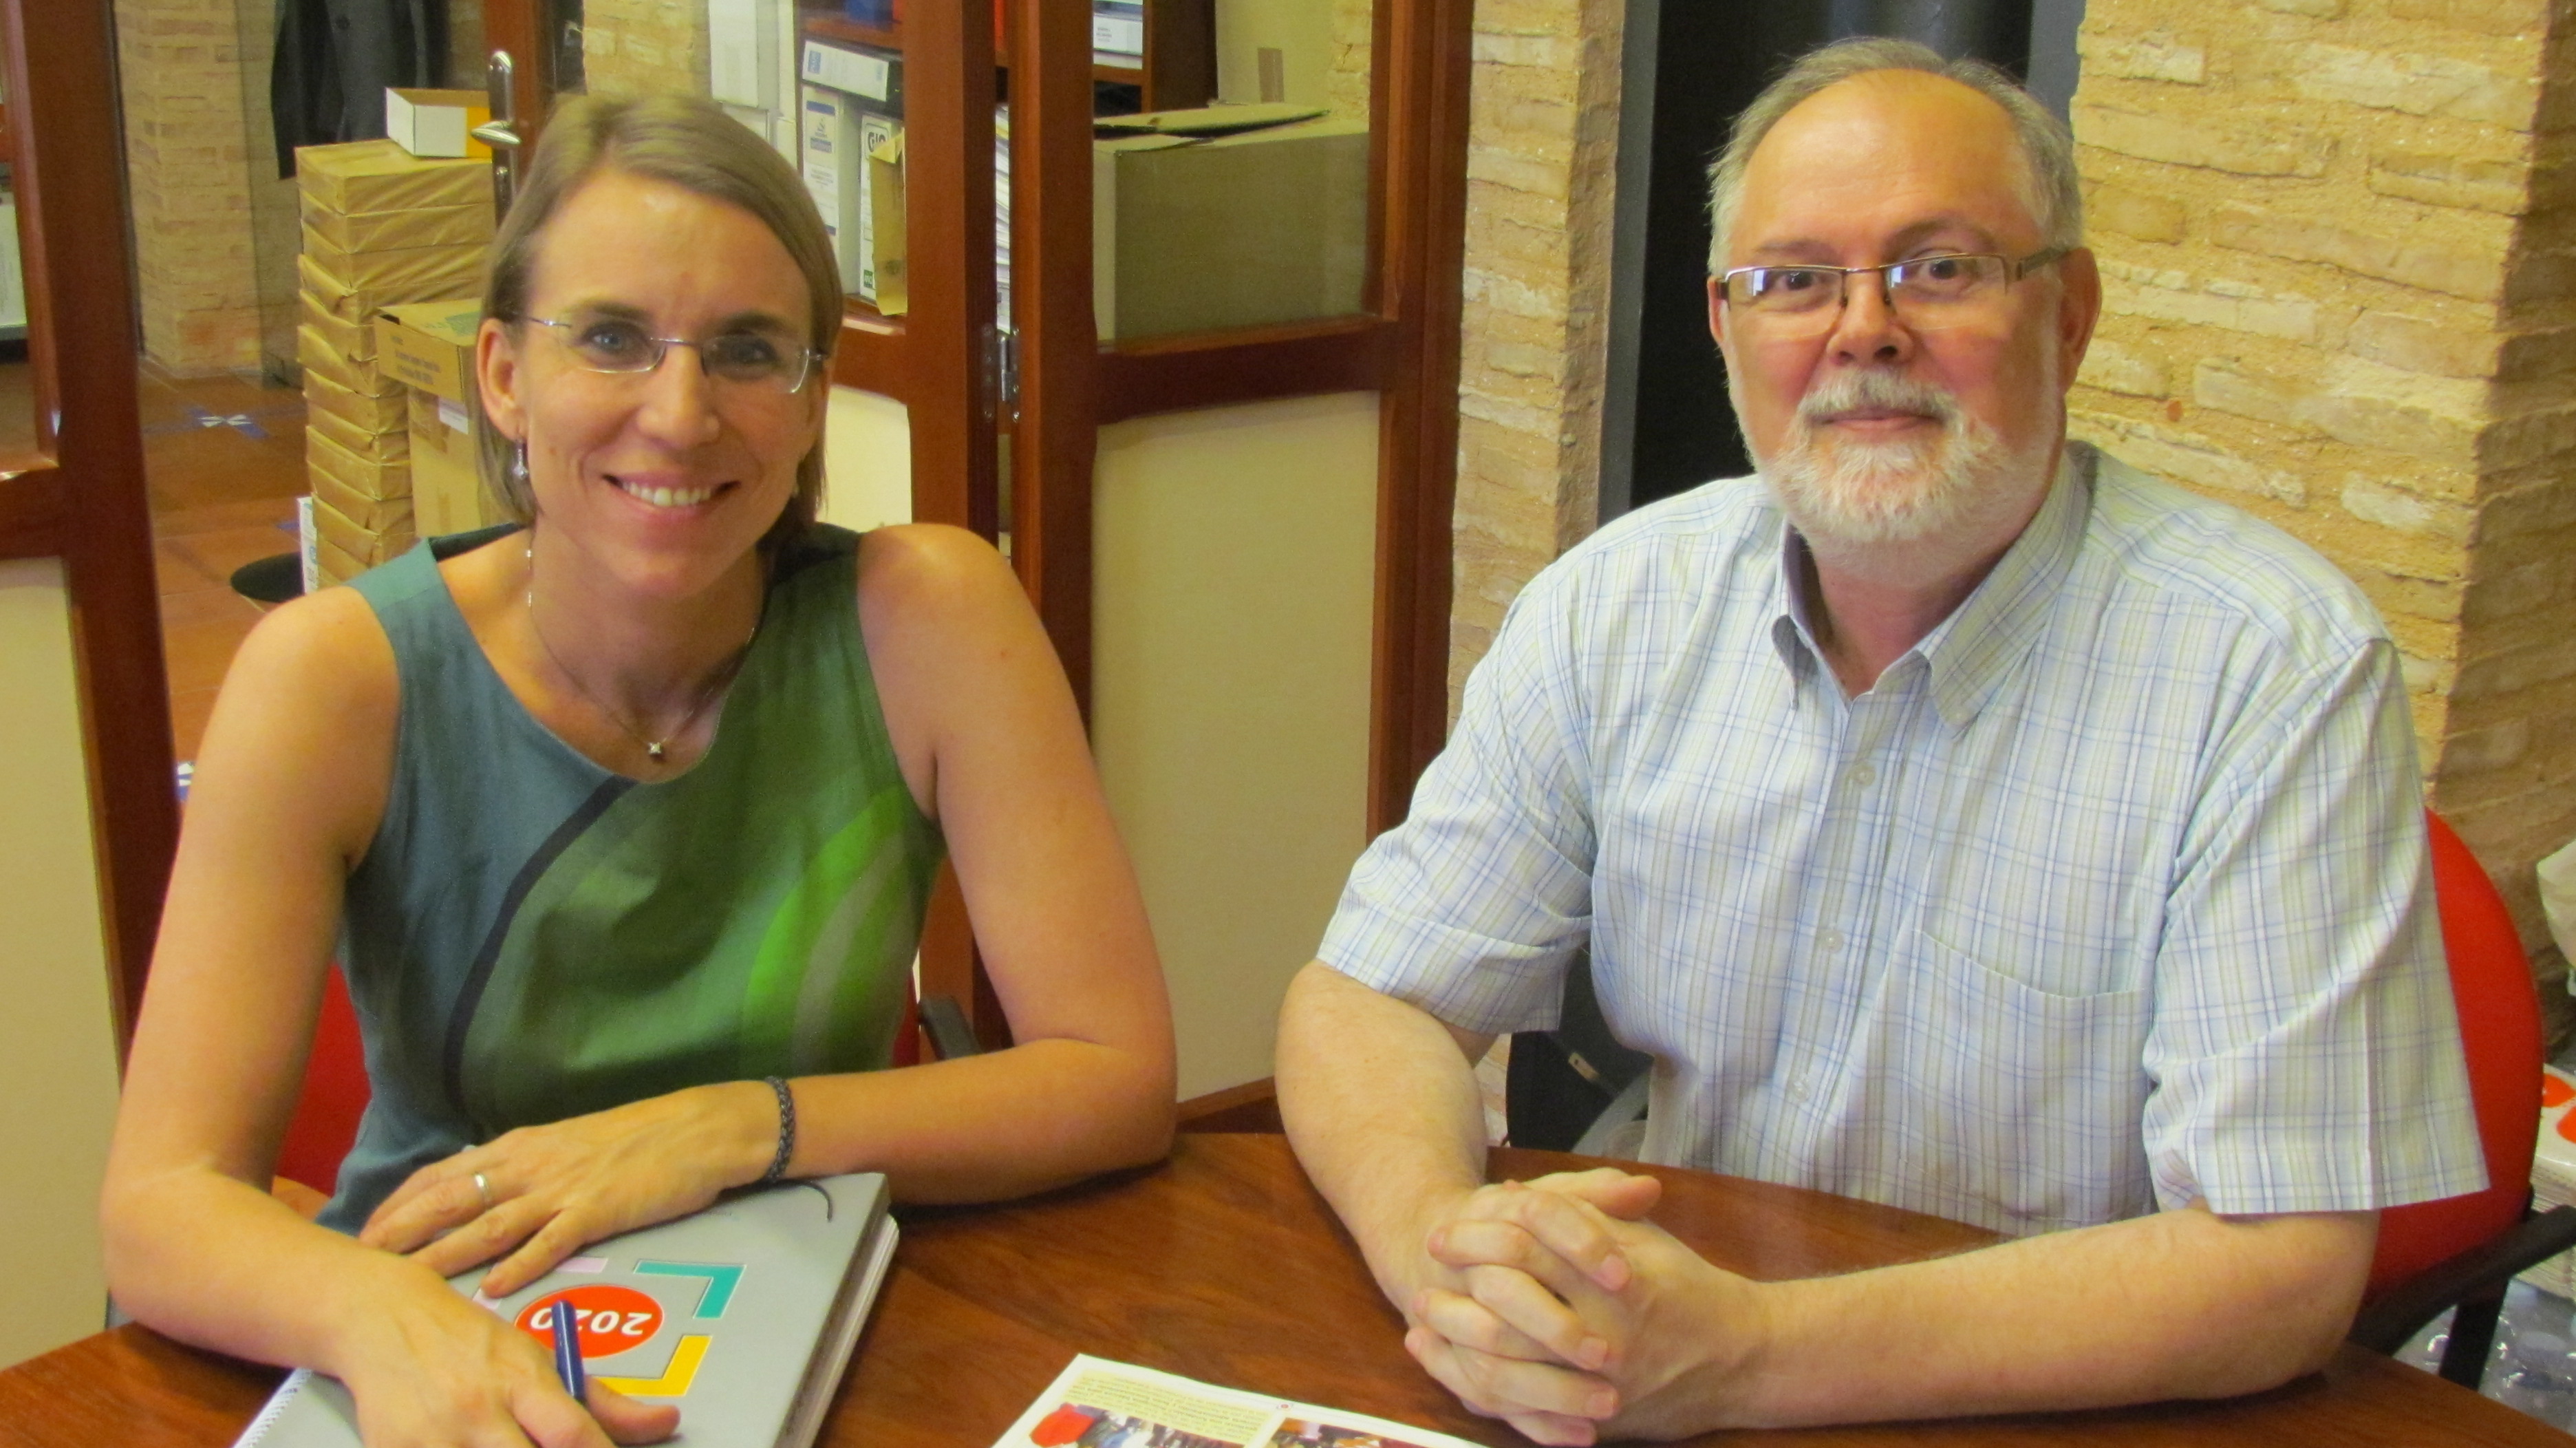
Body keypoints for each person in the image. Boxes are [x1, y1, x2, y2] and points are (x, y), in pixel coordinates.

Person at [1275, 37, 2484, 1442]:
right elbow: (1372, 999)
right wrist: (1441, 1247)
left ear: (2071, 312)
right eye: (1793, 280)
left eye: (1940, 266)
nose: (1862, 331)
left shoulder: (2267, 668)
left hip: (2048, 1403)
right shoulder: (1620, 602)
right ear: (1726, 328)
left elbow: (2280, 1267)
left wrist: (1748, 1353)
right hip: (1651, 1355)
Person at [102, 93, 1174, 1448]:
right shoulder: (333, 679)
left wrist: (733, 1124)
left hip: (827, 1307)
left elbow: (1116, 1072)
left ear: (810, 401)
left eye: (745, 352)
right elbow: (162, 1203)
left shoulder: (933, 618)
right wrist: (381, 1319)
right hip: (444, 1327)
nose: (680, 414)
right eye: (610, 338)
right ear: (501, 373)